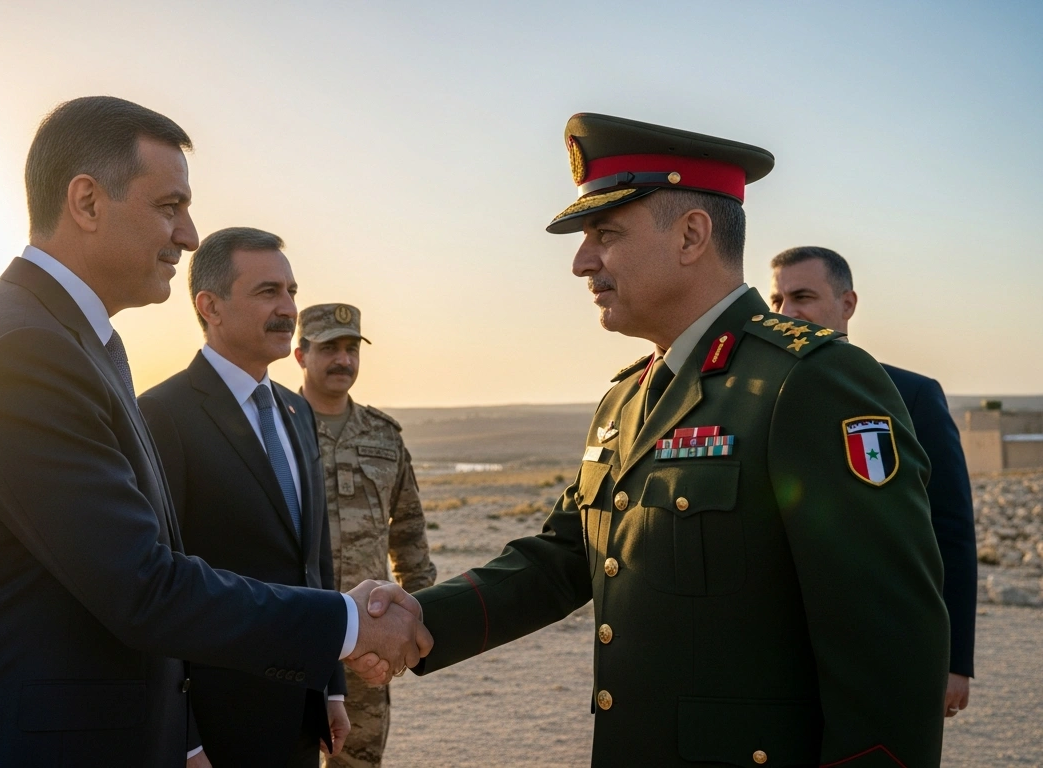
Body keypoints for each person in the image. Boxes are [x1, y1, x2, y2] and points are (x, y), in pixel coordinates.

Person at [357, 113, 951, 766]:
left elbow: (888, 642)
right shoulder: (627, 398)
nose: (583, 262)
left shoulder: (809, 383)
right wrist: (418, 619)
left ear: (692, 235)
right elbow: (565, 556)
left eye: (605, 234)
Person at [0, 96, 430, 768]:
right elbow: (142, 585)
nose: (191, 235)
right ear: (87, 202)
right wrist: (346, 624)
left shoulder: (77, 343)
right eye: (170, 206)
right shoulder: (24, 352)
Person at [138, 227, 349, 767]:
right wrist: (182, 736)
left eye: (292, 292)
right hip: (215, 724)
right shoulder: (162, 416)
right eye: (267, 292)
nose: (288, 309)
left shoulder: (296, 411)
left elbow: (313, 559)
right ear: (210, 306)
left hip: (300, 713)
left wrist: (329, 686)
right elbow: (152, 583)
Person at [769, 245, 977, 718]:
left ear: (847, 305)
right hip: (779, 654)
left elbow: (951, 531)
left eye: (802, 296)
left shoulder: (909, 396)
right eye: (777, 300)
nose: (787, 311)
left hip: (882, 649)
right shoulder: (757, 395)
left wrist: (954, 660)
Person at [293, 303, 438, 768]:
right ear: (300, 354)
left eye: (352, 348)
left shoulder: (383, 435)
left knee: (357, 760)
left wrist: (424, 615)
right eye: (329, 348)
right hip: (287, 626)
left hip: (366, 635)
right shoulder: (273, 428)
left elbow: (410, 532)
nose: (343, 360)